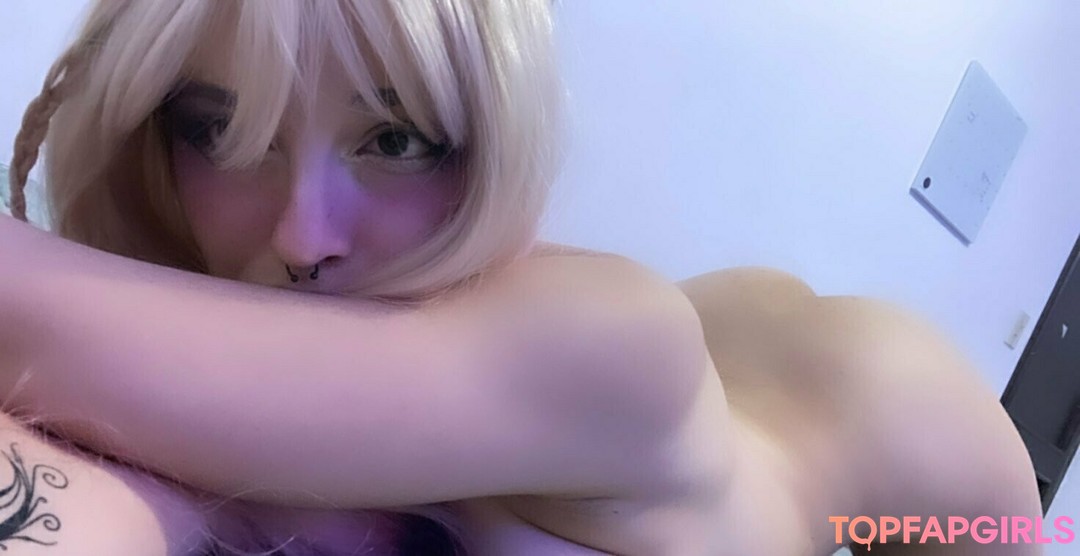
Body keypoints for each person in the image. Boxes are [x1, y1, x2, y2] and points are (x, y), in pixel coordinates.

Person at [0, 1, 1042, 554]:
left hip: (888, 424)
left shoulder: (607, 344)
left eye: (396, 139)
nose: (301, 236)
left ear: (491, 141)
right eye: (218, 130)